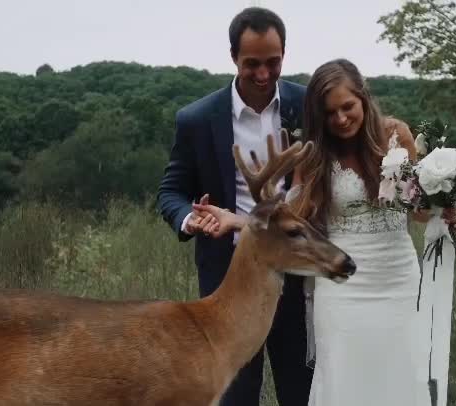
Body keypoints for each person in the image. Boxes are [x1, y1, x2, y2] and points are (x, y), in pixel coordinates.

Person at [194, 59, 443, 405]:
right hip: (343, 286)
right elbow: (291, 219)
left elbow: (419, 210)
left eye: (347, 107)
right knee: (344, 377)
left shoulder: (396, 136)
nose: (340, 119)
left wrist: (448, 203)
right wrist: (235, 220)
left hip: (397, 278)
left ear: (363, 98)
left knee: (399, 372)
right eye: (329, 113)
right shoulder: (314, 156)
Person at [156, 7, 314, 406]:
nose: (263, 75)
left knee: (302, 389)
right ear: (232, 58)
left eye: (273, 63)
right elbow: (170, 191)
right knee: (236, 396)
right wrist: (190, 218)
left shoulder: (307, 105)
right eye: (252, 64)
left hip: (295, 277)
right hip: (228, 282)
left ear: (284, 54)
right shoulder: (196, 119)